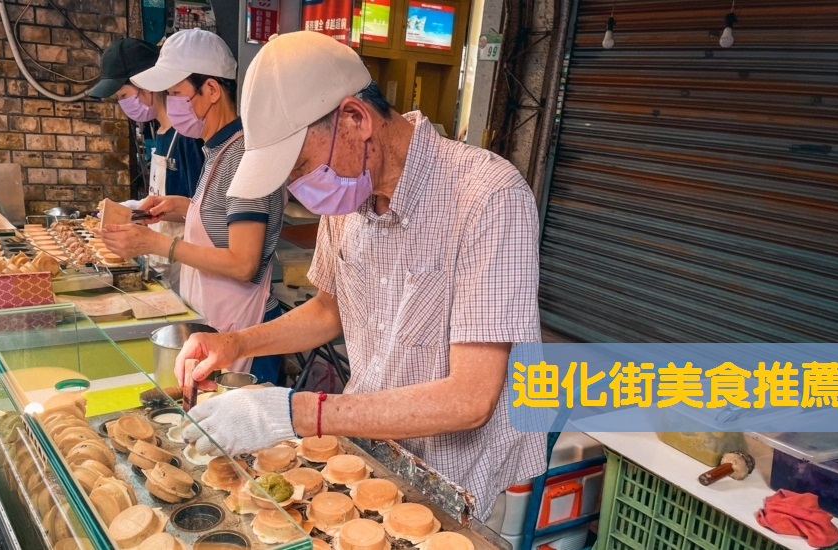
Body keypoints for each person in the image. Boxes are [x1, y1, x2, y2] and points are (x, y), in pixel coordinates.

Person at [176, 31, 547, 525]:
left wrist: (294, 411)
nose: (302, 193)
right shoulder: (352, 194)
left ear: (355, 119)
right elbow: (330, 310)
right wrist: (235, 342)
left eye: (302, 168)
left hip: (462, 484)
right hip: (375, 454)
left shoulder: (488, 199)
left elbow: (470, 398)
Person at [99, 29, 286, 383]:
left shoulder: (242, 155)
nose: (169, 105)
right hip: (218, 323)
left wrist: (158, 244)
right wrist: (182, 207)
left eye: (176, 93)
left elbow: (243, 263)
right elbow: (223, 215)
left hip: (248, 333)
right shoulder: (216, 149)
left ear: (212, 90)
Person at [87, 38, 204, 290]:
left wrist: (138, 213)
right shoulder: (160, 132)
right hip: (163, 260)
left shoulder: (187, 137)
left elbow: (203, 212)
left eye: (124, 95)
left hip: (188, 264)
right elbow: (162, 200)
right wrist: (132, 210)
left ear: (147, 84)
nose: (124, 105)